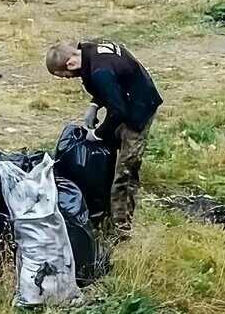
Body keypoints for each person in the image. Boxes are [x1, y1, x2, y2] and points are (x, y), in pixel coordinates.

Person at [45, 41, 162, 235]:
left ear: (71, 64)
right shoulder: (90, 51)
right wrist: (94, 104)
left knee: (125, 171)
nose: (66, 78)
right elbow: (113, 79)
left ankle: (120, 230)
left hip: (139, 108)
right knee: (110, 153)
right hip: (126, 99)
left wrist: (97, 134)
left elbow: (118, 111)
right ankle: (104, 210)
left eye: (63, 75)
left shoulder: (100, 72)